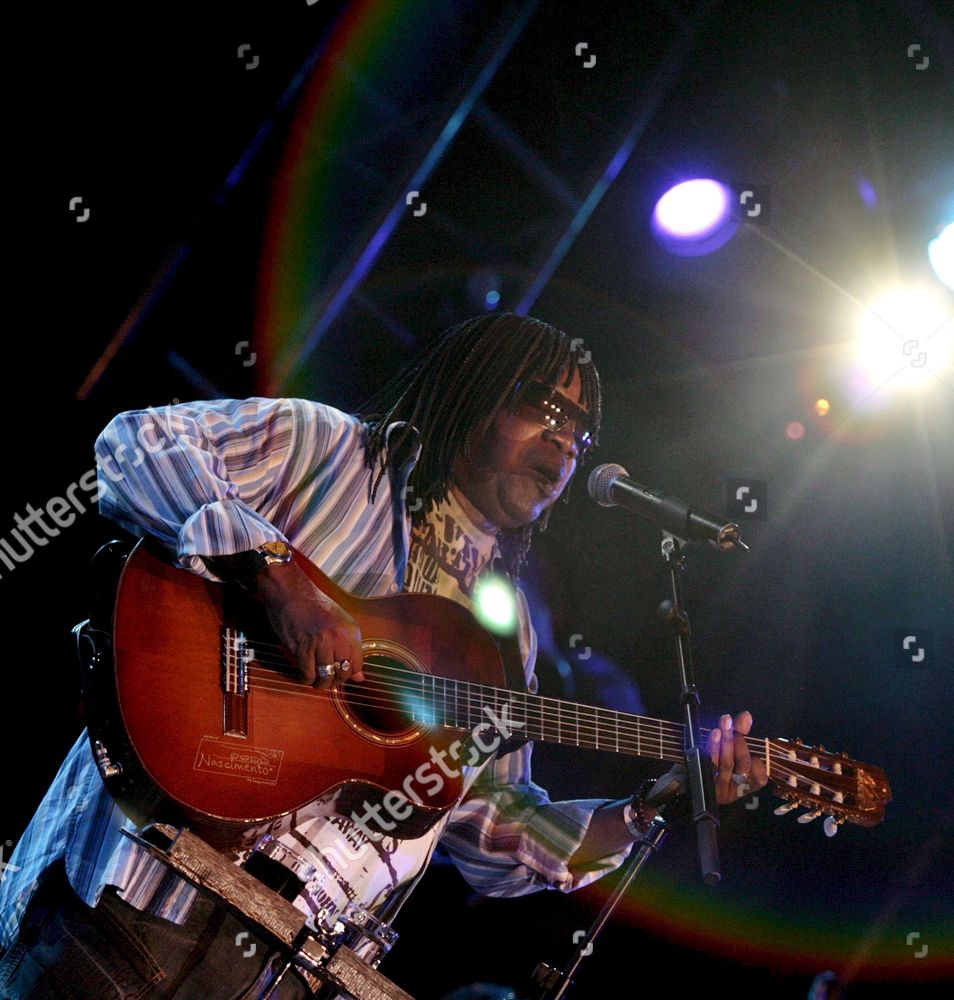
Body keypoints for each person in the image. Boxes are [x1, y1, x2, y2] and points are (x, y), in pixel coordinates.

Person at [0, 313, 770, 998]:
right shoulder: (328, 451)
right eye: (547, 409)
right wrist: (278, 580)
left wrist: (650, 805)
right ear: (475, 390)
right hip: (137, 902)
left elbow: (493, 829)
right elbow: (138, 444)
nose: (566, 444)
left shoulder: (510, 638)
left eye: (582, 433)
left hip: (284, 969)